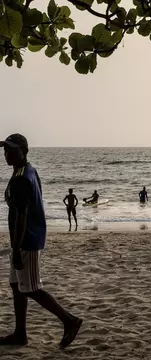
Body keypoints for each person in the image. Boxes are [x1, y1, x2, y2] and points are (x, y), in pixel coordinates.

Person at [0, 133, 82, 348]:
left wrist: (16, 248)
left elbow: (22, 215)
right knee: (16, 285)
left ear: (24, 151)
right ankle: (20, 334)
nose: (6, 154)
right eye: (5, 150)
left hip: (27, 240)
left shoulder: (21, 179)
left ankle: (69, 320)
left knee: (32, 288)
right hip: (22, 238)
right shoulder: (28, 171)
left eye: (11, 150)